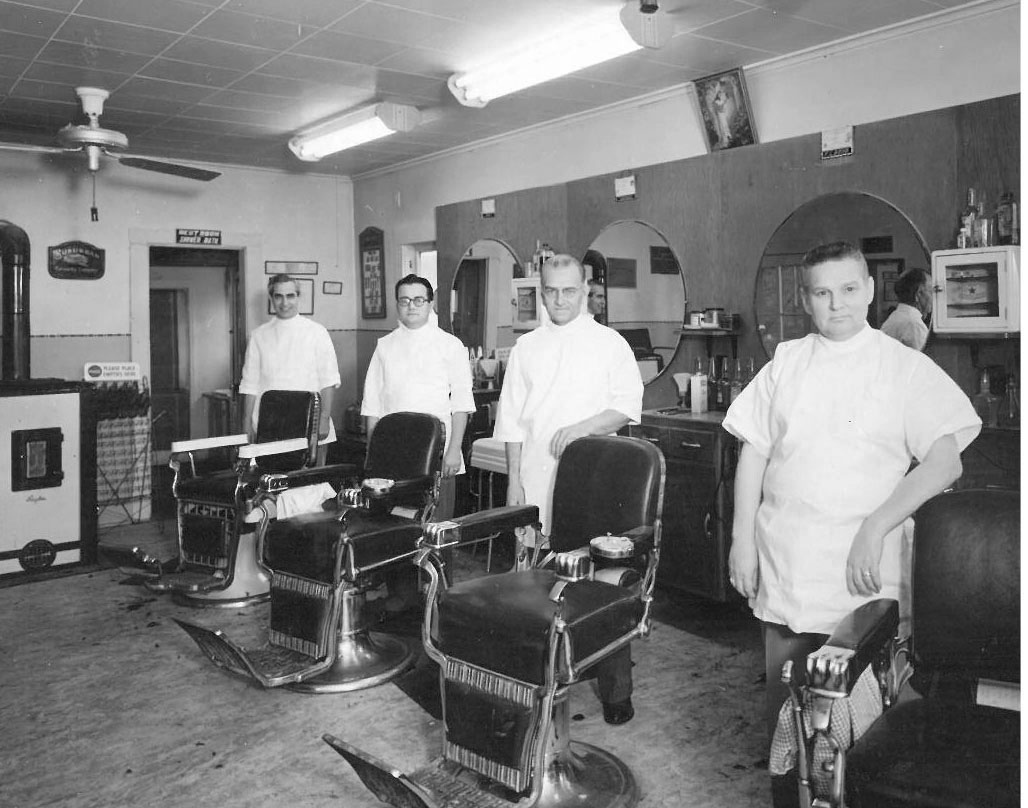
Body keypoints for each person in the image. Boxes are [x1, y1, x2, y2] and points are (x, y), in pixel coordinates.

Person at [721, 242, 980, 805]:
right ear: (806, 299)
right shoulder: (787, 361)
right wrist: (742, 540)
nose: (836, 304)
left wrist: (875, 525)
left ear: (868, 289)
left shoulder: (902, 365)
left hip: (863, 572)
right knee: (788, 710)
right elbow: (754, 453)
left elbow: (945, 460)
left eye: (848, 289)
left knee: (860, 716)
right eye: (821, 293)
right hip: (789, 562)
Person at [493, 253, 643, 725]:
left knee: (604, 585)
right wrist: (515, 486)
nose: (559, 300)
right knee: (541, 587)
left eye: (569, 291)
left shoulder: (609, 343)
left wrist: (581, 428)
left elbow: (625, 407)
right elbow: (512, 424)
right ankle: (545, 687)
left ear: (585, 290)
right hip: (537, 478)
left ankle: (616, 690)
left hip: (599, 481)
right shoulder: (527, 349)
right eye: (551, 291)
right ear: (542, 292)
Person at [361, 274, 475, 521]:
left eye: (418, 300)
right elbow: (372, 405)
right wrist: (374, 453)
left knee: (436, 526)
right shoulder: (384, 346)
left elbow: (462, 404)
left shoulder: (450, 345)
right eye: (404, 300)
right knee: (391, 525)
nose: (411, 306)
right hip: (392, 451)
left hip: (437, 451)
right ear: (397, 305)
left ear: (430, 303)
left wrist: (453, 450)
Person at [239, 274, 340, 464]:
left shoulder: (317, 332)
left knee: (310, 483)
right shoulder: (259, 335)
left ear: (298, 296)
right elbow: (249, 384)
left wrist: (324, 418)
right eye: (278, 296)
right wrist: (246, 423)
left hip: (310, 420)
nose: (285, 302)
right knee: (270, 482)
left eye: (290, 296)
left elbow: (329, 380)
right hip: (269, 424)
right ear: (271, 298)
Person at [880, 267, 932, 350]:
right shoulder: (913, 324)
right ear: (919, 294)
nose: (934, 298)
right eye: (931, 291)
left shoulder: (898, 316)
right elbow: (923, 361)